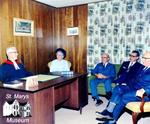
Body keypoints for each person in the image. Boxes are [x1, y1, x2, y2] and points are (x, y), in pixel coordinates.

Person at [96, 52, 150, 124]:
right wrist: (126, 84)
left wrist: (144, 90)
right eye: (143, 58)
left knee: (123, 96)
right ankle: (109, 111)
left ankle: (112, 121)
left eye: (145, 58)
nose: (143, 60)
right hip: (133, 88)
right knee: (118, 88)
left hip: (144, 94)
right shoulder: (143, 67)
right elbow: (134, 79)